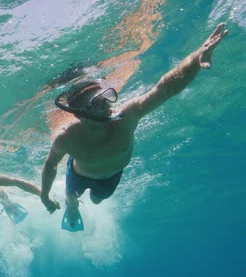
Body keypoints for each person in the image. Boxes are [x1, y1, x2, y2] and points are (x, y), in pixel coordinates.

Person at [40, 23, 229, 231]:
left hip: (111, 177)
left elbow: (163, 89)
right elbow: (50, 165)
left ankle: (86, 200)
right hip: (78, 175)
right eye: (96, 103)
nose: (106, 106)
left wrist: (195, 58)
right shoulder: (66, 138)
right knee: (71, 198)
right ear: (79, 115)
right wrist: (45, 196)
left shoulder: (126, 117)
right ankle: (73, 209)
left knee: (96, 200)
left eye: (106, 97)